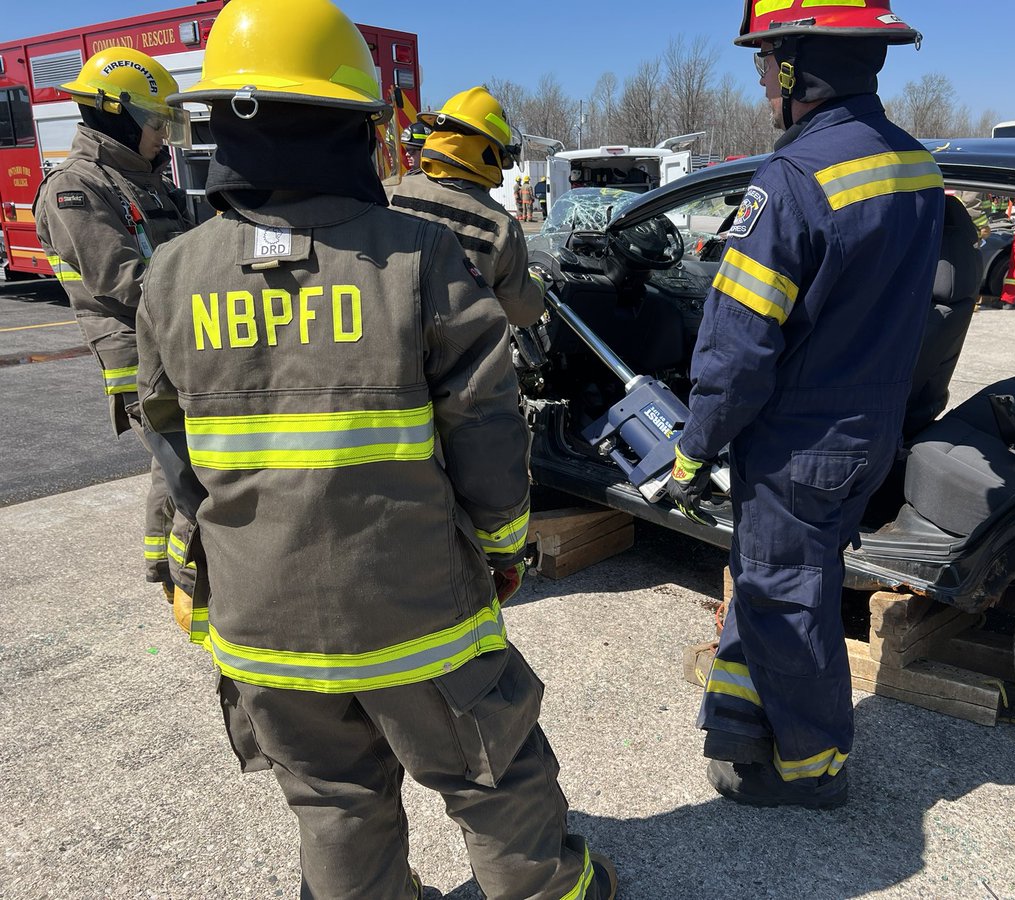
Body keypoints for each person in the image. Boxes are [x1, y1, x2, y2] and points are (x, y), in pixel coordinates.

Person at [133, 2, 614, 898]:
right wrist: (506, 550)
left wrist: (183, 575)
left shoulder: (173, 272)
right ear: (355, 127)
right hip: (417, 611)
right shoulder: (419, 257)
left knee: (333, 799)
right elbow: (487, 425)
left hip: (261, 623)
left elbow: (169, 455)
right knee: (490, 771)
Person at [666, 0, 943, 809]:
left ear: (794, 70)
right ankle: (741, 726)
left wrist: (695, 445)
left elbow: (739, 347)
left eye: (764, 65)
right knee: (771, 581)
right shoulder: (914, 165)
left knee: (788, 600)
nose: (759, 83)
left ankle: (812, 768)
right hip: (867, 428)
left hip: (798, 442)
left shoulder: (791, 181)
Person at [33, 47, 192, 599]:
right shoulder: (75, 189)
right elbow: (122, 282)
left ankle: (163, 570)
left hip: (181, 347)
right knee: (188, 474)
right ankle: (188, 581)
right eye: (154, 122)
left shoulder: (147, 181)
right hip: (140, 358)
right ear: (113, 112)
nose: (162, 135)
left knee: (171, 470)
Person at [388, 86, 546, 326]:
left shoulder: (385, 195)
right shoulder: (501, 226)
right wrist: (537, 282)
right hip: (463, 362)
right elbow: (522, 314)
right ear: (490, 151)